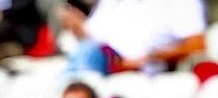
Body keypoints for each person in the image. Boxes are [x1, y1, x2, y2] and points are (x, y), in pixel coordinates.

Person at [59, 0, 206, 75]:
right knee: (83, 53)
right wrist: (77, 25)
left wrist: (153, 57)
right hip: (105, 59)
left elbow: (198, 45)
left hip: (142, 68)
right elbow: (93, 36)